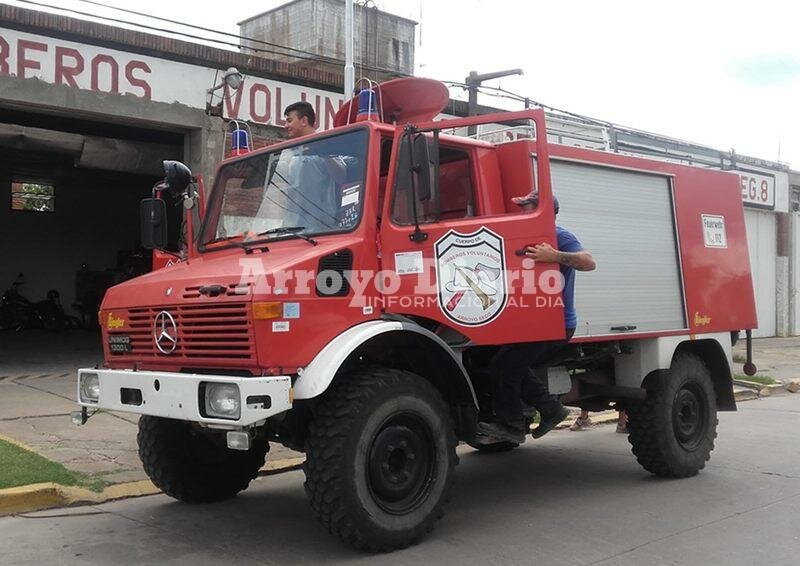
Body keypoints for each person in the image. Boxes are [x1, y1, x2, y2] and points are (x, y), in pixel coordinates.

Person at [477, 194, 596, 444]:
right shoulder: (523, 235)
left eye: (527, 207)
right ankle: (552, 410)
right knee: (506, 364)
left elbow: (588, 262)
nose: (522, 212)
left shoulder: (559, 235)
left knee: (505, 366)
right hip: (533, 323)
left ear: (543, 211)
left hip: (557, 324)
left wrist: (555, 256)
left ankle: (513, 425)